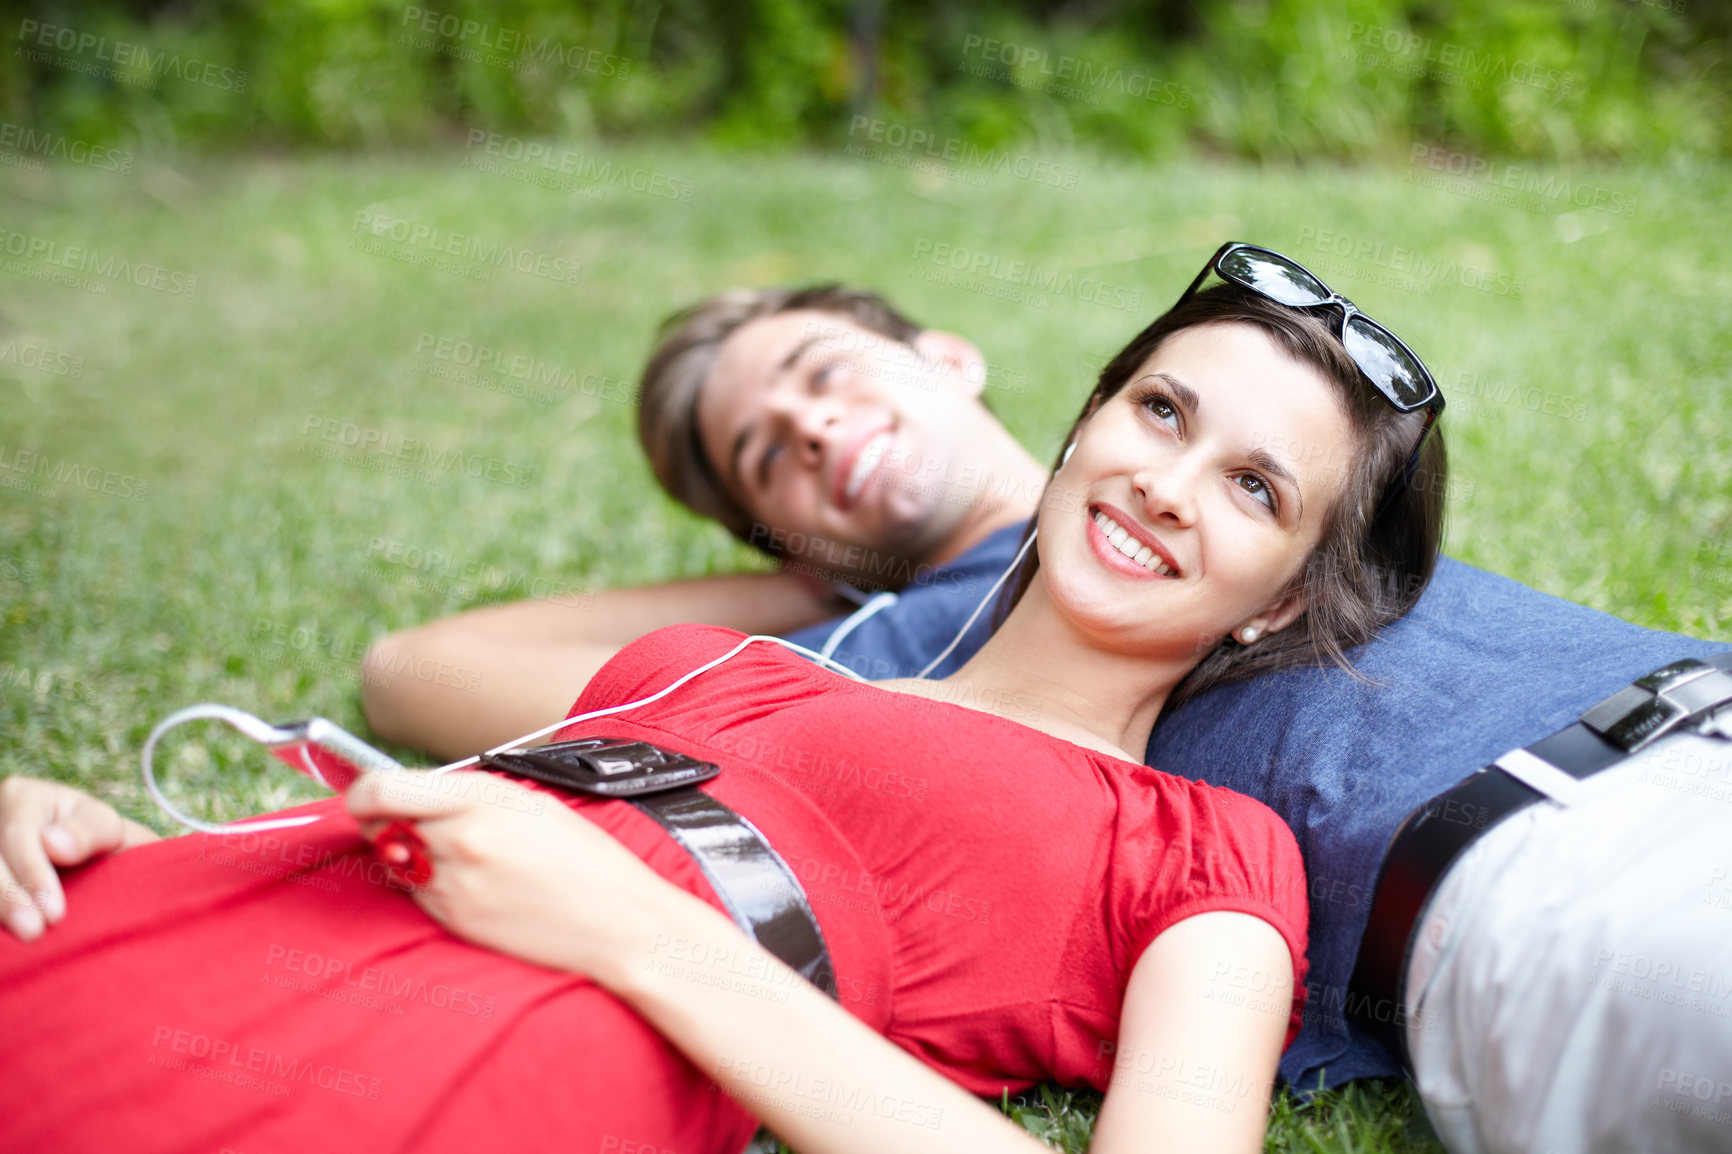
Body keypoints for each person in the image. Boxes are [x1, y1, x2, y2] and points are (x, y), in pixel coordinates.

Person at [0, 250, 1447, 1154]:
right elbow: (425, 685)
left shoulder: (1203, 846)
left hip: (467, 1058)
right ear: (1083, 422)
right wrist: (98, 838)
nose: (1163, 480)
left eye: (1255, 487)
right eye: (1161, 411)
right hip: (186, 913)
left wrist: (640, 934)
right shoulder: (722, 662)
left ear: (1277, 598)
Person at [360, 285, 1052, 762]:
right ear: (795, 550)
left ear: (950, 358)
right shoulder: (889, 657)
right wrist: (812, 590)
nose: (813, 426)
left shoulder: (1133, 463)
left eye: (824, 373)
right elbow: (412, 673)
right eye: (768, 457)